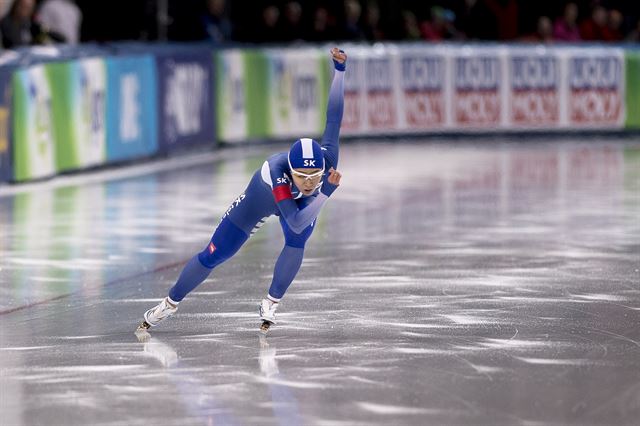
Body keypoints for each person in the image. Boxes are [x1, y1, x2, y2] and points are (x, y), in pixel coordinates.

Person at [137, 47, 347, 334]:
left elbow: (333, 118)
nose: (310, 182)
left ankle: (271, 303)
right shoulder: (277, 173)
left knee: (298, 241)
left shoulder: (327, 158)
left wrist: (339, 71)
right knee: (215, 253)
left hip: (296, 205)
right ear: (291, 171)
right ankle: (169, 303)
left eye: (315, 177)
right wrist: (326, 193)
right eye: (303, 176)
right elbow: (296, 219)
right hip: (260, 199)